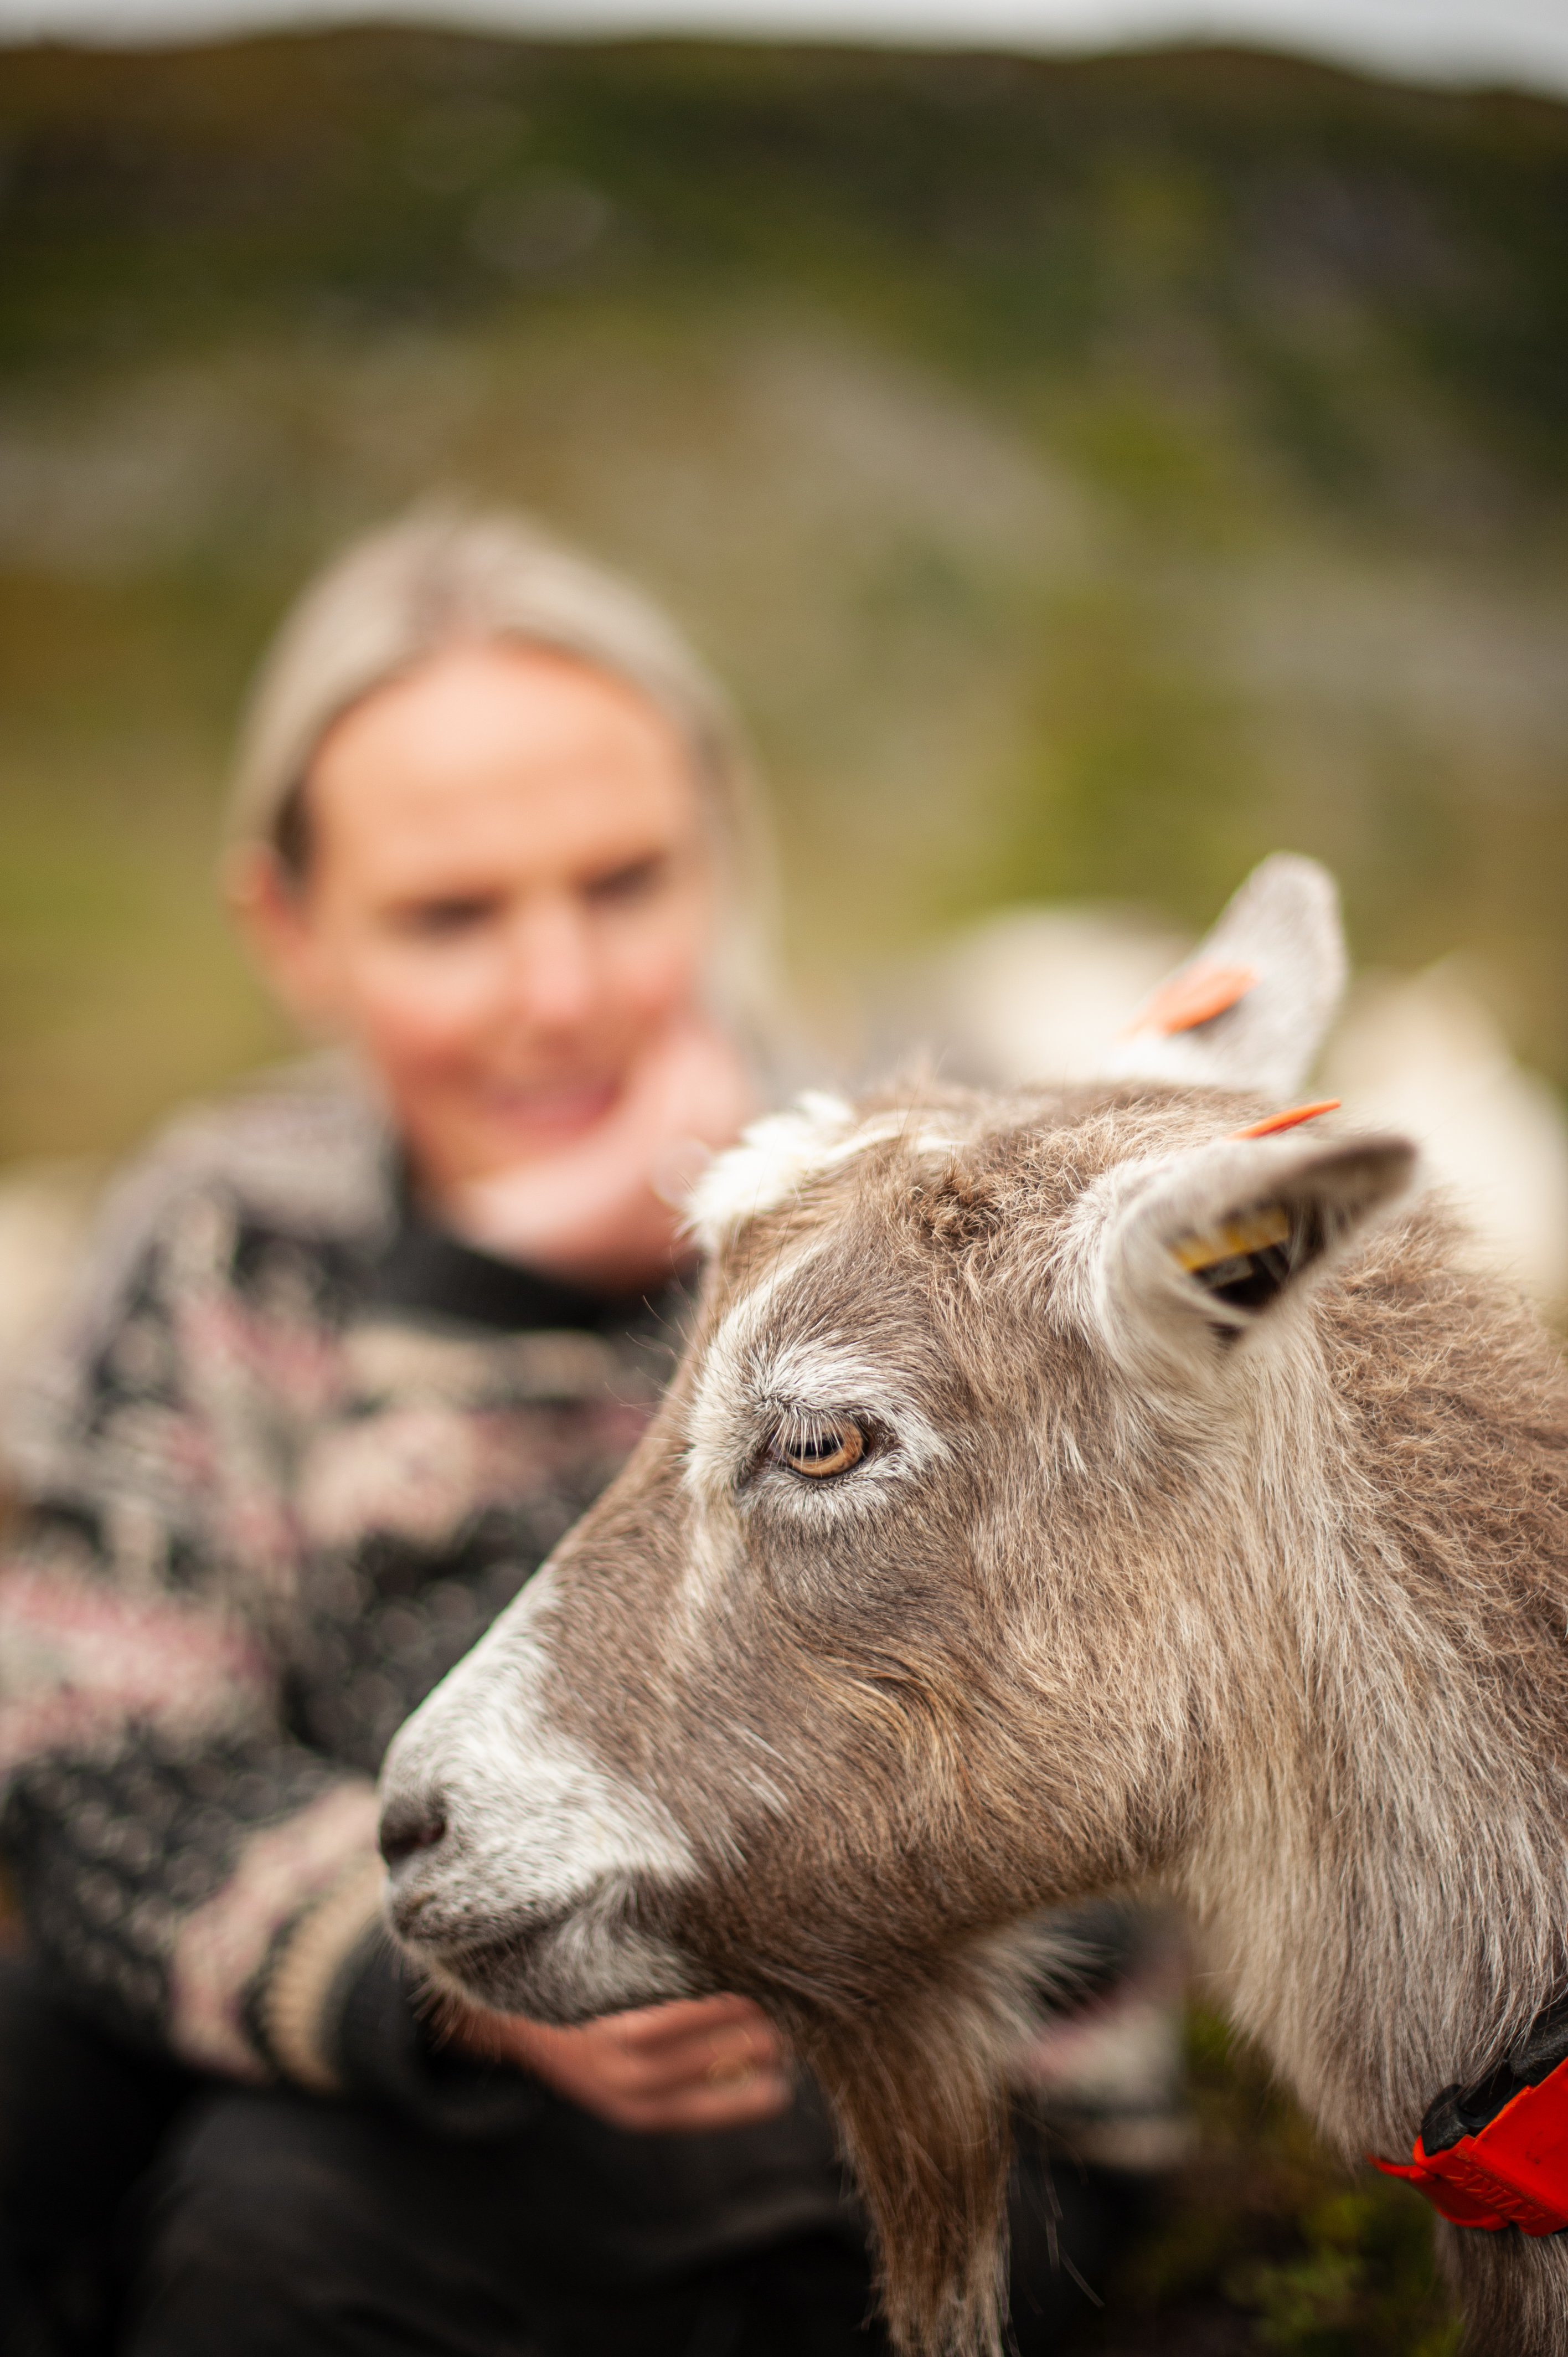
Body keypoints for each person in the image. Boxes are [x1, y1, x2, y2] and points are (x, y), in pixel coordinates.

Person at [0, 510, 1151, 2357]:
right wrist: (431, 1989)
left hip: (887, 2073)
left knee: (277, 2224)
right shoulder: (230, 1228)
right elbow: (87, 1749)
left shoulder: (913, 1214)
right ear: (290, 930)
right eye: (451, 917)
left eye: (623, 883)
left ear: (724, 858)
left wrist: (598, 1306)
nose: (560, 991)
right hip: (401, 1976)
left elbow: (1063, 1772)